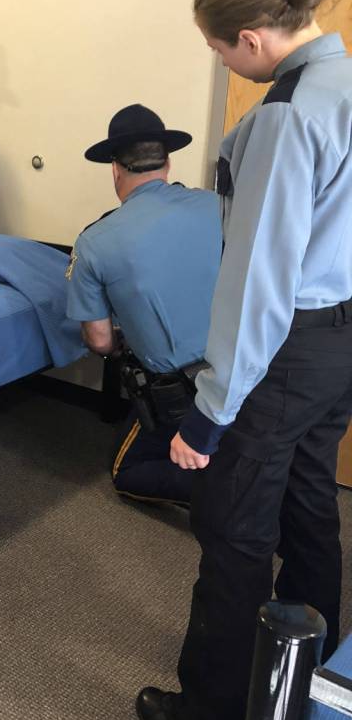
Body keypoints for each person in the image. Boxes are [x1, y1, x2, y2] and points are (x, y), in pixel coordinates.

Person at [136, 0, 352, 720]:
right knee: (309, 509)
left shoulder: (285, 119)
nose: (224, 62)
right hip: (341, 343)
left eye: (219, 48)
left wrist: (209, 410)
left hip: (286, 350)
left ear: (253, 38)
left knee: (232, 529)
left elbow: (258, 279)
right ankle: (312, 690)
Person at [66, 104, 221, 506]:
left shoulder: (94, 241)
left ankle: (219, 493)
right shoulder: (218, 206)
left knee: (126, 471)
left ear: (115, 169)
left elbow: (99, 342)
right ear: (167, 162)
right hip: (245, 377)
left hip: (179, 395)